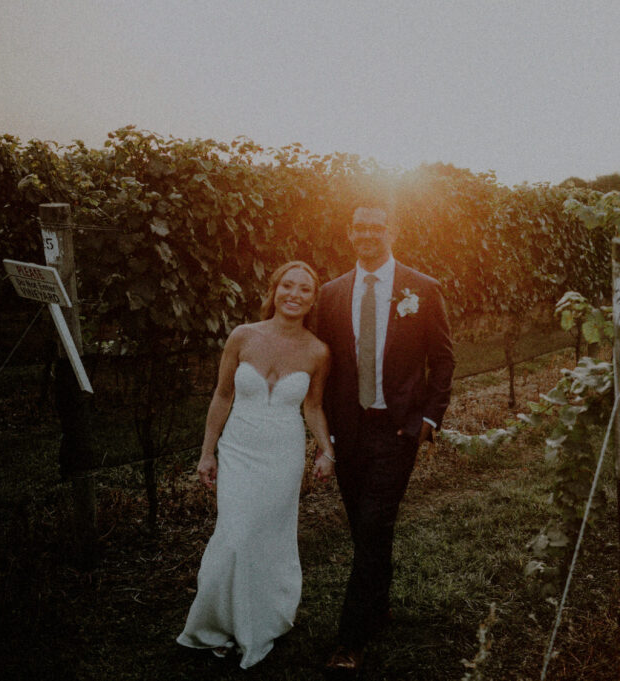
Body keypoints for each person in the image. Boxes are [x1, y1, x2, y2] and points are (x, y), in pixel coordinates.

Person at [313, 206, 455, 672]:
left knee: (373, 525)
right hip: (349, 428)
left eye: (377, 227)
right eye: (359, 227)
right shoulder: (331, 294)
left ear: (392, 231)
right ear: (350, 233)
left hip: (397, 430)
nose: (368, 234)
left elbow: (444, 359)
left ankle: (350, 640)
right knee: (365, 527)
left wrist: (428, 420)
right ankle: (379, 604)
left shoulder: (423, 288)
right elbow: (325, 362)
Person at [177, 261, 336, 669]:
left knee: (265, 539)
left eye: (304, 289)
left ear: (313, 299)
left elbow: (313, 406)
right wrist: (207, 452)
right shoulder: (243, 336)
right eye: (288, 286)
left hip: (282, 456)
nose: (294, 295)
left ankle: (258, 622)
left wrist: (326, 451)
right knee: (235, 535)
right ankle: (218, 623)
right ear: (275, 288)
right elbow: (222, 395)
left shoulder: (318, 351)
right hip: (239, 451)